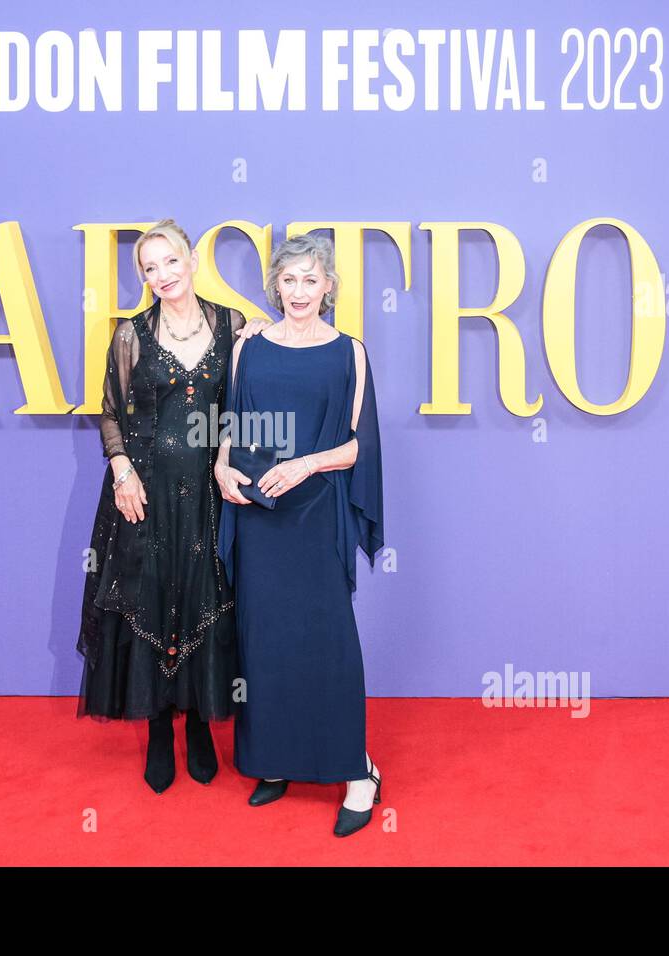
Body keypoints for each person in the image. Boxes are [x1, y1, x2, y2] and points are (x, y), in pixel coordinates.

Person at [76, 219, 271, 794]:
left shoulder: (232, 325)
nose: (161, 275)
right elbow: (110, 411)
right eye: (149, 268)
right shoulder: (131, 334)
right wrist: (121, 470)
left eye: (169, 262)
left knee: (206, 601)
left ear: (191, 260)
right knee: (154, 601)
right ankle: (160, 729)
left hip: (209, 492)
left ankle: (202, 728)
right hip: (146, 491)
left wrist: (264, 331)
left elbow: (246, 398)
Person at [215, 233, 386, 837]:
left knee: (327, 641)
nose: (299, 292)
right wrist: (220, 466)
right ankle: (276, 759)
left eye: (310, 280)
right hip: (261, 513)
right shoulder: (250, 348)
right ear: (275, 287)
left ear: (329, 286)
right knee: (265, 641)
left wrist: (308, 463)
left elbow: (360, 444)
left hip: (316, 513)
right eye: (288, 281)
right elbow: (233, 421)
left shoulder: (349, 352)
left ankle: (359, 774)